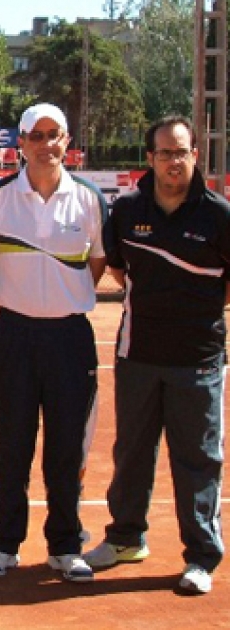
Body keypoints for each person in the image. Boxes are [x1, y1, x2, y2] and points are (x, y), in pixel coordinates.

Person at [84, 115, 228, 595]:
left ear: (194, 156)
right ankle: (126, 538)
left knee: (197, 459)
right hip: (138, 354)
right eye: (164, 152)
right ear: (150, 158)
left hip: (199, 359)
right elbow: (121, 274)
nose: (173, 160)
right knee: (132, 452)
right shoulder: (126, 209)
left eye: (181, 152)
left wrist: (197, 313)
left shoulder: (218, 214)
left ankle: (201, 557)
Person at [0, 103, 106, 583]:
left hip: (71, 336)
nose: (47, 144)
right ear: (21, 143)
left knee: (67, 444)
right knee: (11, 442)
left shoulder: (90, 199)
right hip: (13, 334)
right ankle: (4, 543)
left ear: (67, 141)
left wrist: (60, 297)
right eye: (37, 135)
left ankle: (65, 544)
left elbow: (97, 266)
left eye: (56, 135)